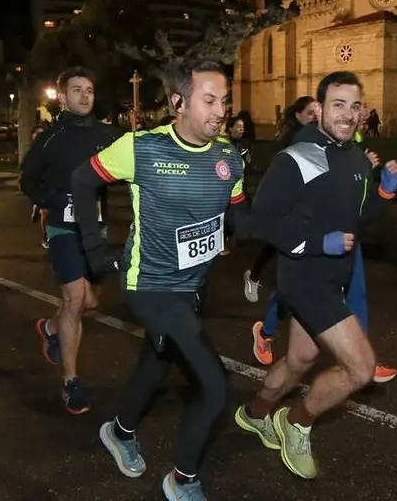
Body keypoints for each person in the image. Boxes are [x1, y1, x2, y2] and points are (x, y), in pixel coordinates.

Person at [72, 59, 249, 501]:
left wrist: (273, 229)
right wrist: (96, 250)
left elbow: (240, 216)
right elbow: (82, 180)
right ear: (179, 103)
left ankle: (119, 431)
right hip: (150, 285)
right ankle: (182, 480)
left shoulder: (228, 158)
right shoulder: (142, 148)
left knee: (157, 360)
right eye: (209, 100)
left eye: (224, 101)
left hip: (194, 285)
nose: (220, 111)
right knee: (214, 386)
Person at [235, 71, 397, 480]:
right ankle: (297, 422)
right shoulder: (297, 157)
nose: (347, 114)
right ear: (320, 108)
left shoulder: (355, 157)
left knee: (300, 360)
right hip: (305, 279)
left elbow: (358, 217)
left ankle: (255, 413)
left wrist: (385, 191)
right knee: (360, 369)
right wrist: (316, 243)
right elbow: (261, 222)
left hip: (333, 278)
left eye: (355, 106)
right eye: (338, 105)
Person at [248, 139, 397, 385]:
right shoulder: (302, 143)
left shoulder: (350, 146)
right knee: (290, 294)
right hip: (312, 239)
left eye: (358, 115)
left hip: (346, 236)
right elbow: (277, 210)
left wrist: (381, 188)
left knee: (356, 292)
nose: (354, 119)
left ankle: (363, 356)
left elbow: (360, 205)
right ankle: (265, 331)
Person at [20, 68, 118, 414]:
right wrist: (51, 199)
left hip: (96, 229)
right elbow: (27, 180)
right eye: (77, 90)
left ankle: (50, 327)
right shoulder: (50, 138)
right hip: (62, 227)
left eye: (89, 89)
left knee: (90, 300)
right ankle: (71, 382)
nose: (85, 95)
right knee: (75, 299)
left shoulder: (107, 134)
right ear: (62, 97)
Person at [242, 96, 318, 302]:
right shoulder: (293, 139)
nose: (314, 117)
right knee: (281, 243)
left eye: (317, 113)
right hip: (290, 198)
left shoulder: (318, 136)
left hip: (309, 198)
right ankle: (256, 278)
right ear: (298, 116)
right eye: (310, 113)